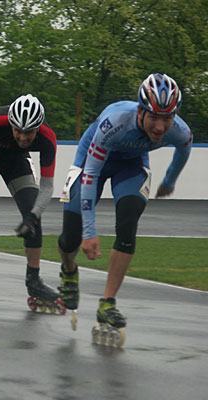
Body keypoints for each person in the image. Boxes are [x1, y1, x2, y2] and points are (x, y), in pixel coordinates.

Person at [57, 73, 192, 330]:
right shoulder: (115, 122)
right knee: (71, 236)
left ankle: (108, 303)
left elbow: (184, 150)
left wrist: (169, 182)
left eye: (167, 118)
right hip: (93, 161)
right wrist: (89, 231)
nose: (160, 127)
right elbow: (91, 175)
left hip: (131, 165)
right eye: (154, 117)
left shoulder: (180, 130)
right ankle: (69, 269)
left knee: (129, 222)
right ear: (140, 111)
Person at [0, 94, 60, 307]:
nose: (23, 138)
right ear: (10, 124)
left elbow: (47, 186)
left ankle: (33, 280)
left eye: (29, 133)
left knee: (33, 214)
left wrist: (33, 216)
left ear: (38, 128)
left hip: (17, 160)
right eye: (18, 131)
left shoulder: (47, 137)